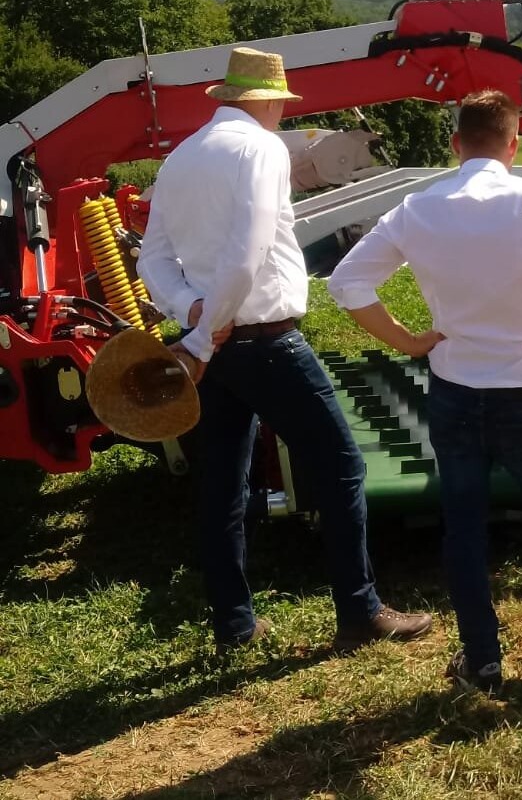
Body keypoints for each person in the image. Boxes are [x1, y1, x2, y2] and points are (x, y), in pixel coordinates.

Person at [327, 89, 522, 694]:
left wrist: (407, 341)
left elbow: (346, 283)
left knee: (463, 524)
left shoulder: (418, 209)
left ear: (455, 144)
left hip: (454, 389)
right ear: (513, 142)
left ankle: (482, 661)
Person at [138, 47, 433, 652]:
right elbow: (246, 256)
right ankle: (359, 612)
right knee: (341, 465)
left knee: (223, 482)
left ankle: (235, 623)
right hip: (263, 341)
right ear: (270, 100)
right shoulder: (264, 147)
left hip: (216, 347)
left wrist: (193, 313)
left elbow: (152, 259)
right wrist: (201, 334)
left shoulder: (179, 158)